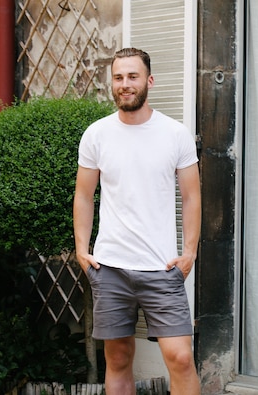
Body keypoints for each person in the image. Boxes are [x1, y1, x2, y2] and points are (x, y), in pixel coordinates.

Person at [73, 47, 201, 395]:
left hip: (161, 267)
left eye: (132, 76)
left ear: (149, 80)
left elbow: (191, 196)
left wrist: (189, 252)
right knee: (117, 359)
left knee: (181, 358)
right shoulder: (96, 134)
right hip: (110, 267)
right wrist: (82, 250)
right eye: (118, 77)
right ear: (111, 83)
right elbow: (84, 195)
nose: (125, 84)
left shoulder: (175, 134)